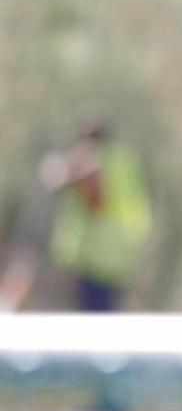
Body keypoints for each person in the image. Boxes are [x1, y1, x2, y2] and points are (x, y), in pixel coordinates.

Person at [40, 119, 151, 312]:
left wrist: (71, 179)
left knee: (92, 323)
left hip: (94, 257)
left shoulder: (92, 161)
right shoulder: (124, 159)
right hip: (121, 253)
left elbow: (95, 203)